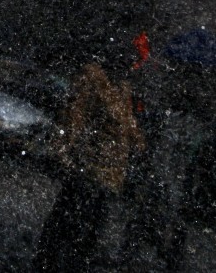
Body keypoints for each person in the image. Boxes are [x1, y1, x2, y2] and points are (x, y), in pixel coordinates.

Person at [34, 48, 145, 272]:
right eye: (128, 63)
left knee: (91, 227)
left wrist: (139, 142)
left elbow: (127, 125)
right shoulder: (93, 78)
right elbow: (73, 116)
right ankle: (49, 263)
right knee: (70, 221)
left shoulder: (122, 88)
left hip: (110, 173)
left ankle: (71, 263)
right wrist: (62, 150)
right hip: (89, 167)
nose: (129, 69)